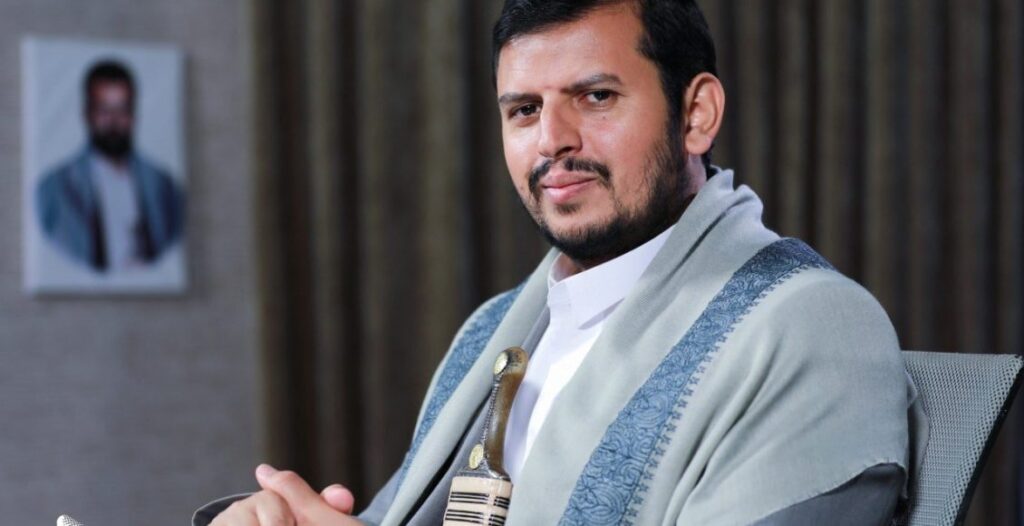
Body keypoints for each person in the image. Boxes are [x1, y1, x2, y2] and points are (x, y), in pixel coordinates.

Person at [198, 1, 925, 524]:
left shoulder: (813, 325)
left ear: (696, 114)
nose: (552, 140)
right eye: (523, 111)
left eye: (596, 97)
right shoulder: (493, 331)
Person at [36, 60, 184, 273]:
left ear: (134, 115)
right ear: (87, 113)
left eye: (122, 110)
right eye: (104, 110)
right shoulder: (55, 187)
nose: (114, 121)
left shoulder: (163, 184)